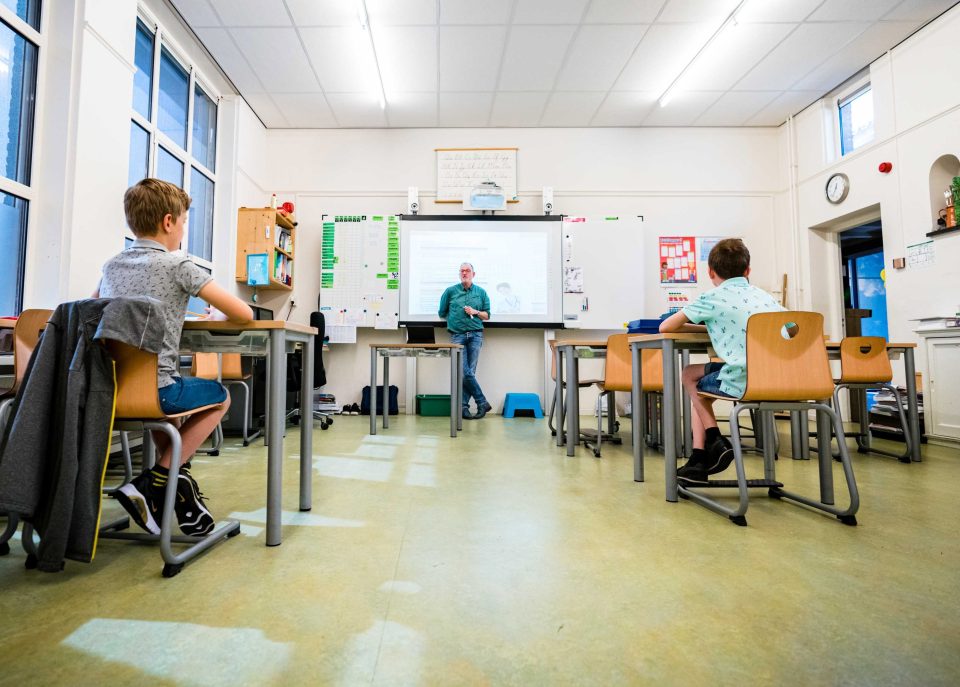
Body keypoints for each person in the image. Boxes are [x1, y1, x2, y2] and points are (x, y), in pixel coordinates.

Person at [95, 178, 254, 536]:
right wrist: (213, 316)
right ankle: (156, 480)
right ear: (169, 222)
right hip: (159, 391)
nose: (183, 229)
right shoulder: (179, 266)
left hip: (109, 392)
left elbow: (94, 312)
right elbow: (244, 313)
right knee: (220, 397)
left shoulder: (111, 267)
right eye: (183, 221)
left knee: (168, 413)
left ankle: (171, 484)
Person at [658, 238, 783, 484]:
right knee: (694, 378)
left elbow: (666, 326)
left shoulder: (711, 298)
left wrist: (701, 324)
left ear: (710, 272)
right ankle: (699, 457)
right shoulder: (767, 299)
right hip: (777, 377)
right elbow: (790, 330)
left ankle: (715, 438)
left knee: (689, 378)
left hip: (742, 379)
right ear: (748, 271)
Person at [438, 262, 492, 419]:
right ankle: (482, 402)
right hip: (457, 336)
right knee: (465, 372)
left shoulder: (481, 292)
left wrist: (475, 312)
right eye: (461, 271)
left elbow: (487, 315)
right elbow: (442, 312)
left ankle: (463, 407)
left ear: (473, 274)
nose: (464, 273)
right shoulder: (450, 291)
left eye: (467, 271)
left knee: (470, 373)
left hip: (476, 335)